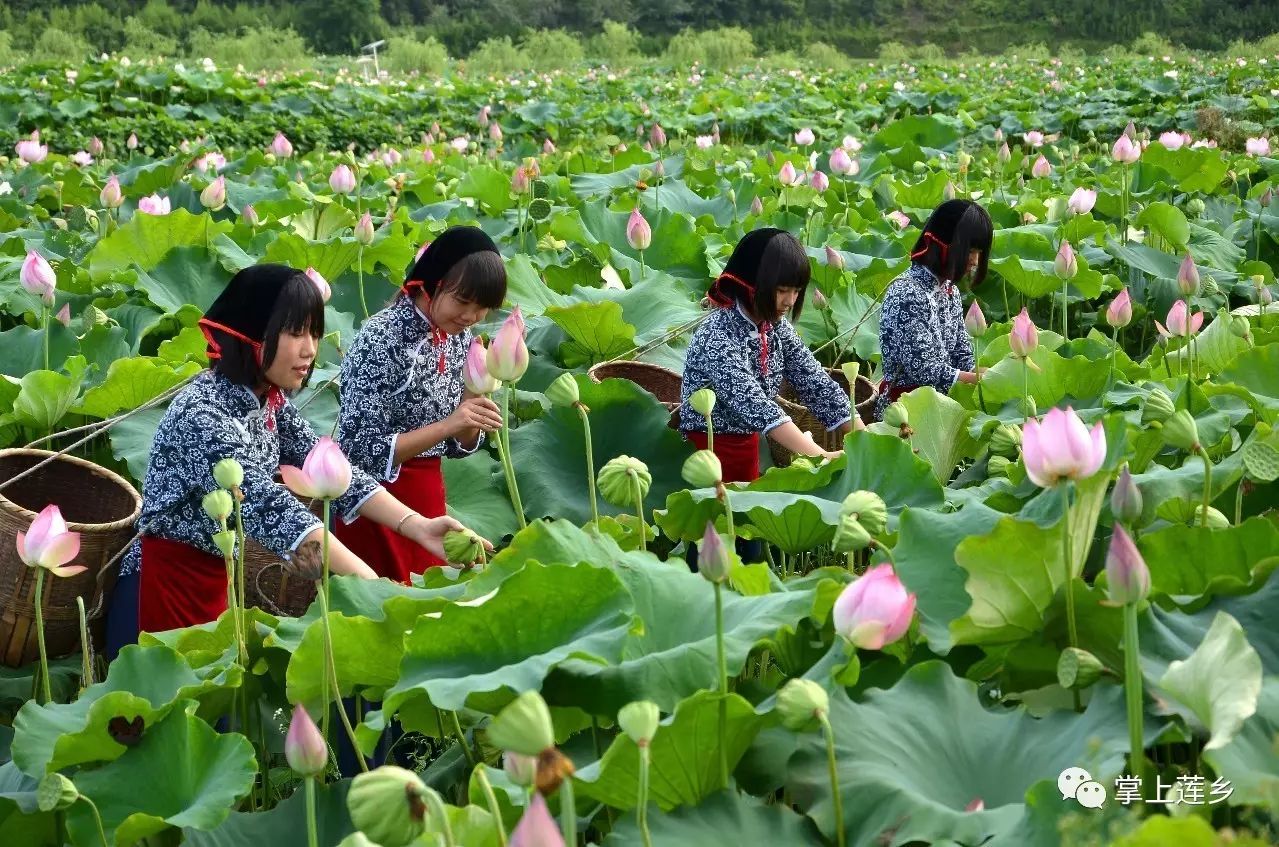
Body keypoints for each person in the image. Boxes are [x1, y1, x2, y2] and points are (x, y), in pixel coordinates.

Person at [104, 264, 481, 658]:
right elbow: (271, 506)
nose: (310, 349)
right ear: (250, 334)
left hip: (216, 581)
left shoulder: (268, 400)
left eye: (315, 333)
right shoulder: (201, 415)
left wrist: (418, 526)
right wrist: (371, 583)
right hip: (160, 588)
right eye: (295, 332)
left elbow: (332, 469)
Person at [334, 226, 507, 584]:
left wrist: (472, 411)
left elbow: (456, 447)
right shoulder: (381, 338)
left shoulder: (462, 339)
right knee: (383, 606)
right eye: (463, 302)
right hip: (375, 501)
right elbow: (359, 450)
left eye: (482, 308)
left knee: (428, 600)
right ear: (430, 285)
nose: (471, 317)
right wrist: (448, 425)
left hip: (429, 494)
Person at [678, 228, 855, 567]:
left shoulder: (775, 327)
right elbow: (757, 407)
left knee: (749, 546)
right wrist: (821, 456)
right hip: (709, 451)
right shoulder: (715, 336)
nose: (790, 301)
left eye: (797, 290)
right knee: (711, 552)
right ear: (750, 284)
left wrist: (863, 435)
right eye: (782, 290)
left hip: (746, 448)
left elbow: (815, 381)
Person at [874, 199, 992, 420]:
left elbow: (961, 353)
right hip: (905, 413)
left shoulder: (950, 290)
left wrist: (987, 375)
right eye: (970, 250)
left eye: (979, 252)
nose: (975, 261)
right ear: (943, 244)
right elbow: (923, 369)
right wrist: (975, 378)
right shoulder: (906, 293)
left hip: (943, 407)